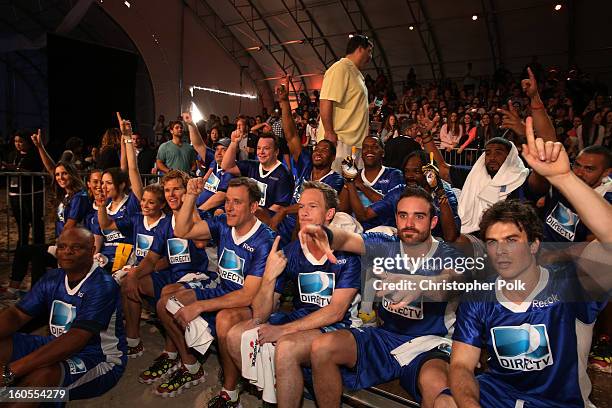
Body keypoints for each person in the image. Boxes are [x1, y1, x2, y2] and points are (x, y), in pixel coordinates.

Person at [449, 117, 611, 407]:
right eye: (493, 242)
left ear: (535, 244)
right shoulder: (481, 295)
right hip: (499, 394)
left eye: (512, 240)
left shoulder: (569, 284)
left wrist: (564, 178)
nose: (501, 251)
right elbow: (461, 366)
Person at [300, 186, 465, 408]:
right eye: (403, 215)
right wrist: (326, 233)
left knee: (437, 386)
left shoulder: (448, 254)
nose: (409, 223)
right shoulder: (385, 246)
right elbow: (348, 240)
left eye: (419, 216)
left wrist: (423, 284)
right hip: (385, 335)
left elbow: (454, 279)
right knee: (322, 348)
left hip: (429, 343)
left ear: (433, 222)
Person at [225, 181, 361, 407]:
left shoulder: (346, 253)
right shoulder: (291, 251)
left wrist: (281, 330)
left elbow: (336, 312)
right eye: (301, 206)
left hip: (338, 326)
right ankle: (273, 392)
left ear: (329, 213)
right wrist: (268, 276)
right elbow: (261, 312)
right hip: (301, 318)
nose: (304, 212)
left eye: (312, 206)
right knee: (235, 335)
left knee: (286, 347)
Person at [152, 177, 274, 401]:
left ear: (253, 207)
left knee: (224, 319)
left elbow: (248, 294)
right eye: (227, 200)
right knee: (165, 304)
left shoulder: (264, 240)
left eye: (237, 202)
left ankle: (230, 392)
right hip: (222, 288)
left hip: (251, 302)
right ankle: (190, 366)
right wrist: (190, 196)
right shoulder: (223, 224)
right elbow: (182, 229)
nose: (228, 207)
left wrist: (200, 306)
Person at [0, 227, 126, 401]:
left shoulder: (103, 286)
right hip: (55, 344)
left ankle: (42, 398)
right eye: (62, 246)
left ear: (92, 250)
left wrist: (11, 371)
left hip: (97, 358)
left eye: (76, 247)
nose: (67, 252)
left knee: (41, 378)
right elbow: (17, 314)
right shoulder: (52, 277)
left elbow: (76, 338)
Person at [120, 170, 210, 361]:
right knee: (131, 281)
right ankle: (133, 341)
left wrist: (191, 202)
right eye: (167, 190)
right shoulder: (165, 223)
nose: (171, 194)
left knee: (168, 294)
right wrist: (133, 275)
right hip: (173, 275)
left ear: (186, 191)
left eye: (176, 189)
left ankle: (173, 353)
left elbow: (200, 243)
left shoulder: (200, 215)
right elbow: (151, 259)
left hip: (197, 276)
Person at [6, 130, 90, 299]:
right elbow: (51, 168)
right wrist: (40, 146)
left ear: (72, 174)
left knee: (39, 256)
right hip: (61, 243)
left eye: (64, 174)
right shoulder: (64, 193)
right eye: (58, 175)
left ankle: (36, 297)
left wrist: (57, 245)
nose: (60, 177)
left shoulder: (79, 196)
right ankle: (13, 289)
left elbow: (70, 226)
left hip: (72, 246)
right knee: (23, 250)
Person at [268, 77, 344, 244]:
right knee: (254, 211)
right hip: (283, 221)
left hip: (303, 227)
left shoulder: (335, 179)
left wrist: (285, 211)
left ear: (332, 158)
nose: (318, 152)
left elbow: (314, 204)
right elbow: (291, 136)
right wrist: (284, 102)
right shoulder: (306, 164)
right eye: (317, 148)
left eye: (325, 150)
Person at [318, 34, 373, 172]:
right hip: (340, 142)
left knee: (350, 189)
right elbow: (326, 100)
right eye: (369, 51)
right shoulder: (340, 68)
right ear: (360, 49)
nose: (370, 57)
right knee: (336, 188)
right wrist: (329, 133)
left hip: (354, 143)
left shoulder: (356, 74)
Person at [221, 131, 294, 217]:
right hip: (250, 217)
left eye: (266, 148)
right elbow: (226, 167)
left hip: (270, 223)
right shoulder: (252, 165)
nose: (261, 152)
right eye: (259, 148)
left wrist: (252, 219)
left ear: (276, 152)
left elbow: (279, 207)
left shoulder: (284, 174)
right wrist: (234, 143)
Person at [339, 135, 403, 230]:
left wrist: (361, 185)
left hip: (385, 230)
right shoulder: (354, 174)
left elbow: (392, 205)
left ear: (383, 152)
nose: (369, 150)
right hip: (356, 229)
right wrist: (348, 180)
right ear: (361, 154)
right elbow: (343, 210)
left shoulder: (394, 174)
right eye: (365, 147)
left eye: (375, 147)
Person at [2, 130, 45, 248]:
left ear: (27, 142)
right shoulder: (12, 155)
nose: (18, 144)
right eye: (16, 141)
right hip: (15, 194)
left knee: (36, 223)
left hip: (32, 193)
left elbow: (36, 172)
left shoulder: (35, 154)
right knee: (22, 224)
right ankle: (22, 248)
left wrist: (16, 169)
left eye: (21, 141)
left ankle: (38, 249)